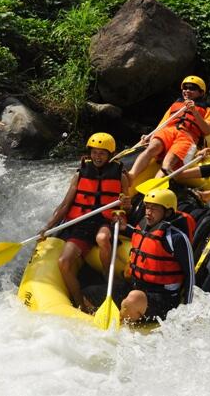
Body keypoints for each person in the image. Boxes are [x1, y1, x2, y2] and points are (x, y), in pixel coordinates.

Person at [39, 132, 131, 312]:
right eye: (95, 152)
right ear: (90, 153)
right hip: (82, 222)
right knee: (64, 262)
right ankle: (80, 302)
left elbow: (126, 204)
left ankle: (107, 279)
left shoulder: (120, 175)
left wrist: (125, 206)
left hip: (105, 219)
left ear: (110, 155)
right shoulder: (80, 173)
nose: (98, 157)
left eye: (102, 153)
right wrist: (48, 227)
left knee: (103, 239)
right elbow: (65, 204)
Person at [83, 189, 195, 322]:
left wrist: (188, 310)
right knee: (89, 294)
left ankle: (120, 330)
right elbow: (142, 236)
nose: (148, 212)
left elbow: (190, 275)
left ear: (168, 212)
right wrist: (124, 227)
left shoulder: (177, 238)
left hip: (163, 298)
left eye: (154, 209)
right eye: (147, 207)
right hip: (136, 287)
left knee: (133, 299)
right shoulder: (143, 226)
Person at [127, 76, 210, 182]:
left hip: (187, 137)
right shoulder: (175, 105)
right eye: (185, 88)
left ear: (201, 93)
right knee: (151, 149)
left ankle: (154, 187)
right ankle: (131, 175)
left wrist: (194, 112)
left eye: (192, 88)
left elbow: (207, 130)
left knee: (167, 164)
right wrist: (148, 137)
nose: (187, 90)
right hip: (169, 131)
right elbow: (162, 125)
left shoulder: (208, 110)